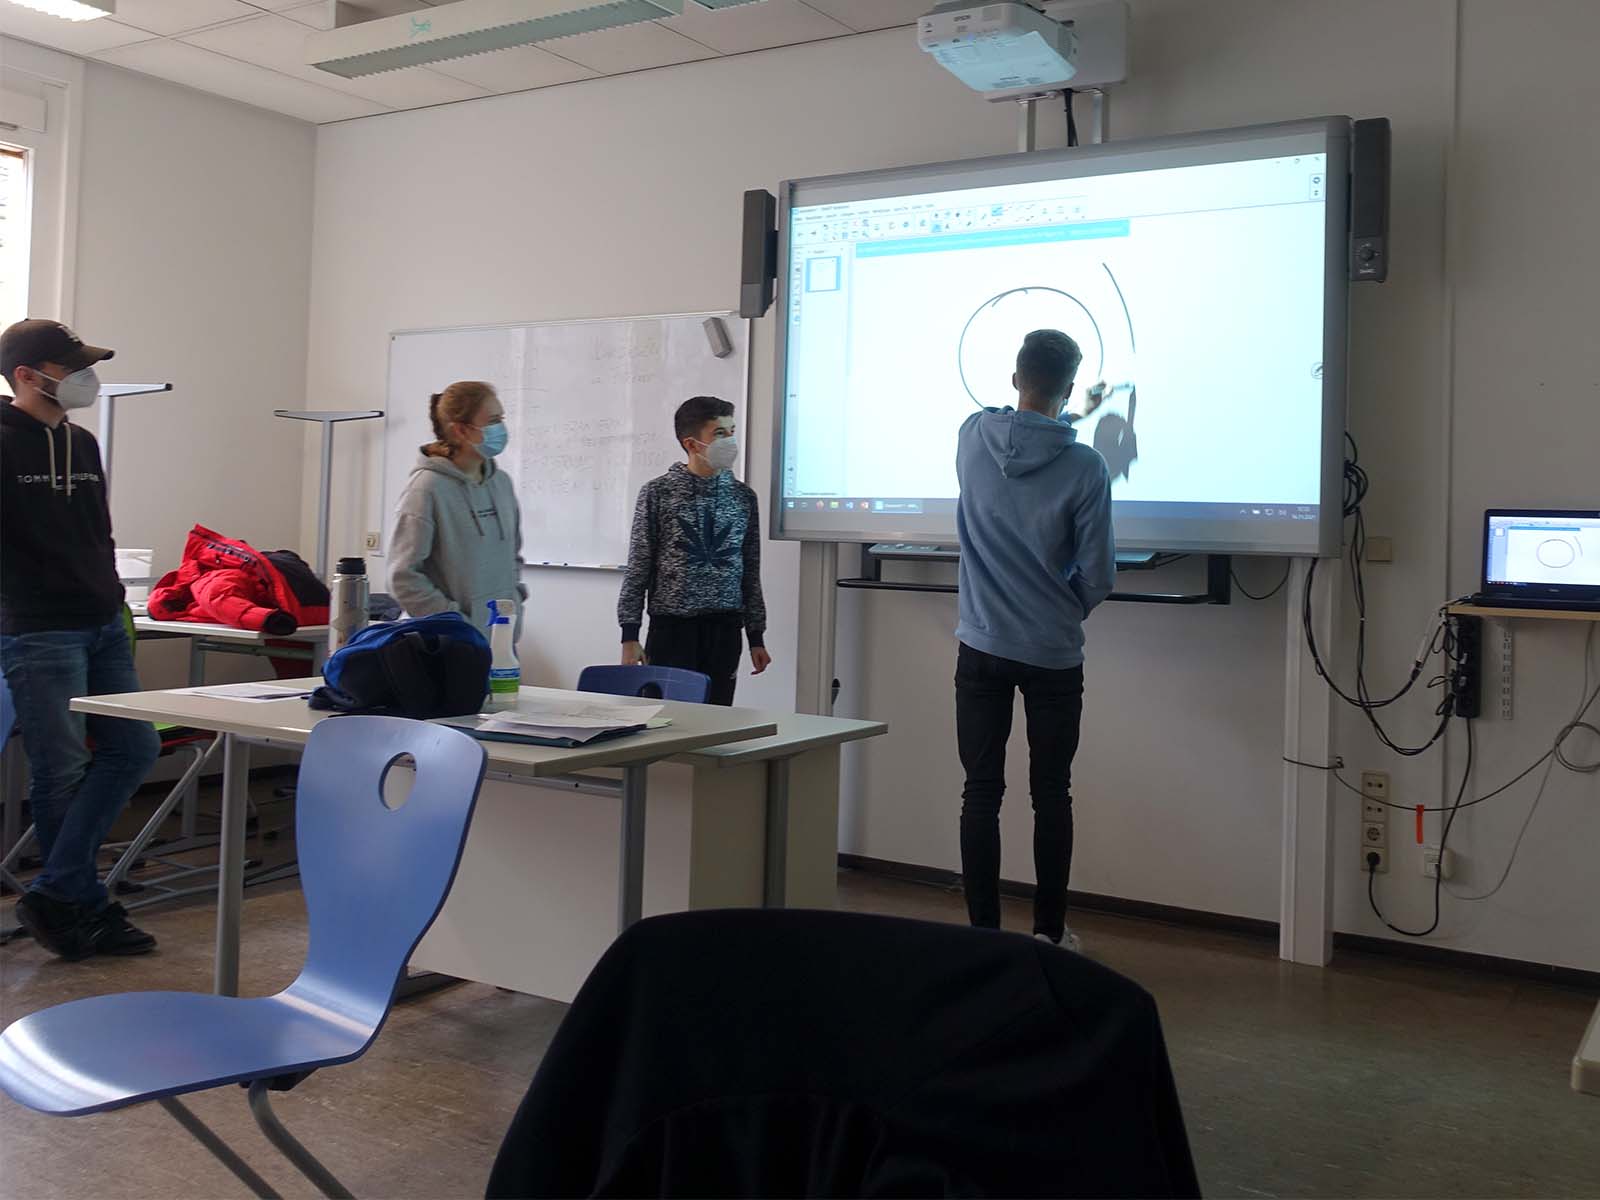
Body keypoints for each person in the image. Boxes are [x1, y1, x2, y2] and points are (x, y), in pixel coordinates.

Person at [0, 318, 162, 960]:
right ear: (26, 375)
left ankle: (59, 892)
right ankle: (81, 904)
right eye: (71, 367)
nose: (86, 377)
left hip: (101, 622)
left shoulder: (83, 444)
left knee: (135, 746)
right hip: (38, 629)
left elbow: (100, 533)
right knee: (61, 767)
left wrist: (110, 598)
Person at [953, 329, 1116, 952]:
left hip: (980, 647)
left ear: (1016, 377)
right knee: (1051, 795)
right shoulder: (1086, 467)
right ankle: (1048, 934)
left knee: (980, 793)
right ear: (1069, 388)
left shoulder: (972, 435)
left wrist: (1062, 412)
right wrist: (1065, 607)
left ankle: (983, 939)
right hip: (1052, 653)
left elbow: (1019, 429)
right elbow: (1098, 573)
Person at [617, 395, 770, 706]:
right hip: (672, 628)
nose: (730, 441)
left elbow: (750, 570)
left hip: (725, 628)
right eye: (720, 434)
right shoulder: (658, 493)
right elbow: (639, 566)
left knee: (717, 717)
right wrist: (629, 635)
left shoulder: (743, 497)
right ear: (691, 444)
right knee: (670, 717)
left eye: (732, 432)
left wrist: (756, 636)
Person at [389, 380, 525, 638]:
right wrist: (456, 624)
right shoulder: (426, 489)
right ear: (461, 430)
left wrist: (515, 600)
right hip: (449, 645)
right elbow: (403, 578)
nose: (501, 428)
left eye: (501, 419)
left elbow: (513, 556)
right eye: (493, 421)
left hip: (501, 640)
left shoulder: (502, 483)